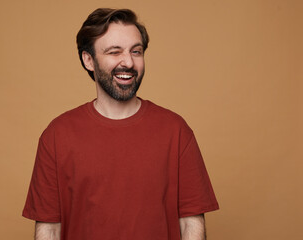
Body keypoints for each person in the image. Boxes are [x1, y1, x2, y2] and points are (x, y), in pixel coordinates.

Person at [22, 8, 219, 240]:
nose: (128, 62)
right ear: (89, 60)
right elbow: (49, 229)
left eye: (136, 51)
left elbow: (191, 225)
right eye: (115, 52)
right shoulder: (56, 135)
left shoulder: (176, 131)